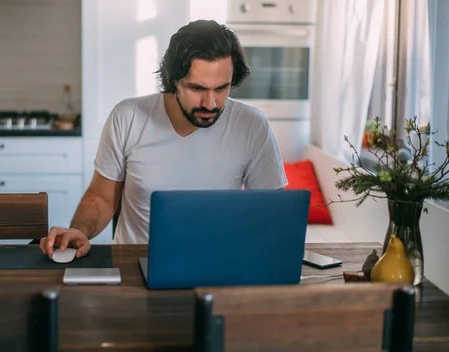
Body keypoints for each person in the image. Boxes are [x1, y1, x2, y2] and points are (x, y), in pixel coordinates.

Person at [40, 19, 288, 259]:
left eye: (222, 88)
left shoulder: (251, 125)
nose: (211, 103)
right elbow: (102, 197)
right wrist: (80, 231)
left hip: (217, 263)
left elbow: (271, 213)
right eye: (197, 89)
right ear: (173, 80)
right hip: (135, 265)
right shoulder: (128, 117)